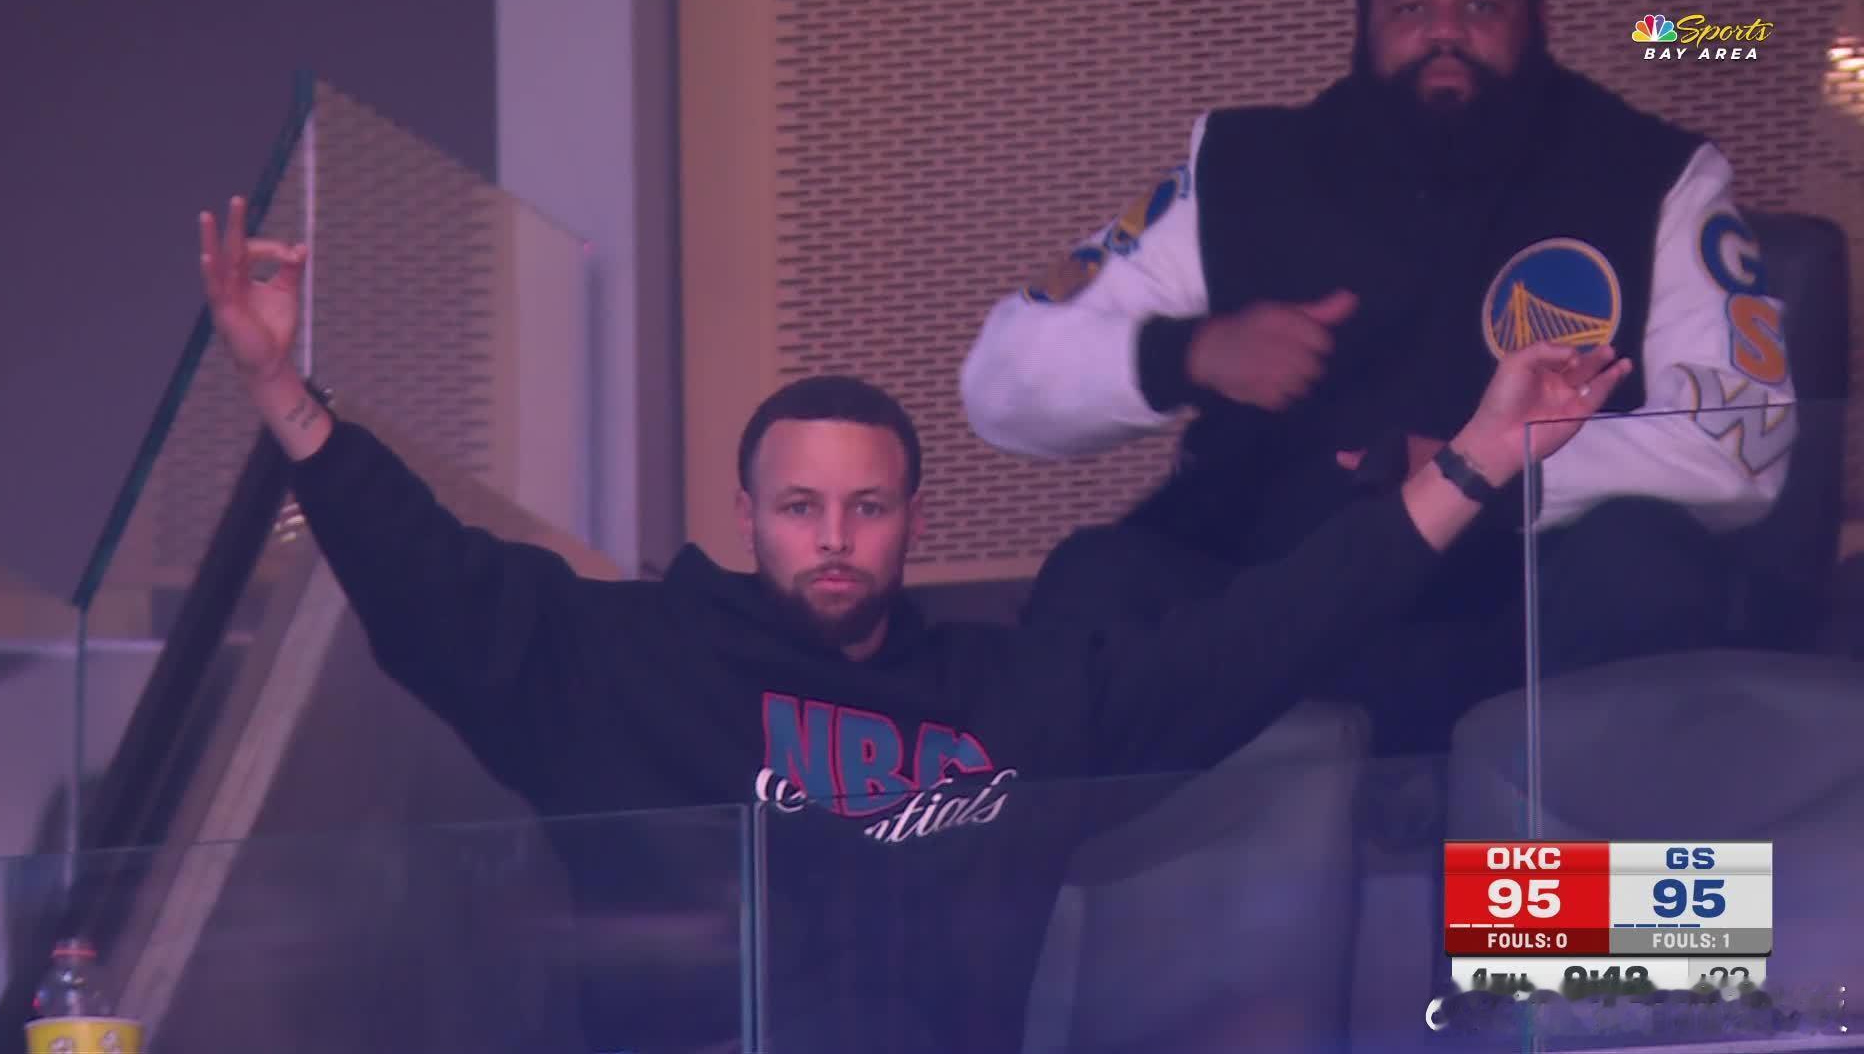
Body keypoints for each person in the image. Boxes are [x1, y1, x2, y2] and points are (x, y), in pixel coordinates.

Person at [199, 197, 1627, 1051]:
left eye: (867, 507)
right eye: (801, 508)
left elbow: (1268, 635)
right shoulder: (627, 665)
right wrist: (281, 392)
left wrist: (1480, 459)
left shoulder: (1012, 702)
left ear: (913, 524)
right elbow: (430, 580)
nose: (834, 538)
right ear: (748, 516)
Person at [960, 0, 1797, 754]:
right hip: (1270, 619)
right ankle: (1149, 862)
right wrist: (1191, 353)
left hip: (1520, 632)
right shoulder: (1246, 168)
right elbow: (999, 382)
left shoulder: (1654, 175)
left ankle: (1538, 869)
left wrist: (1487, 469)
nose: (1444, 32)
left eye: (1479, 5)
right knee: (1099, 579)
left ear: (1539, 17)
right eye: (1409, 6)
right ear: (1365, 21)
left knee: (1649, 568)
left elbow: (1741, 438)